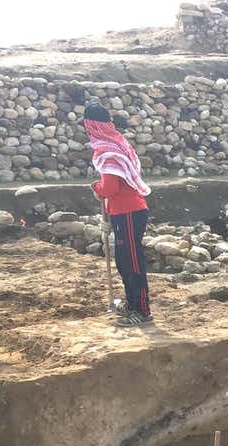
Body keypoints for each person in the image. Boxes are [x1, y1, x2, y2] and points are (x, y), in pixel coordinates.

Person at [83, 102, 153, 328]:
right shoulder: (116, 143)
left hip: (129, 212)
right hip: (125, 212)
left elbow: (111, 187)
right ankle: (132, 303)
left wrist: (97, 188)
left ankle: (142, 310)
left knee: (132, 263)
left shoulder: (108, 150)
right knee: (124, 262)